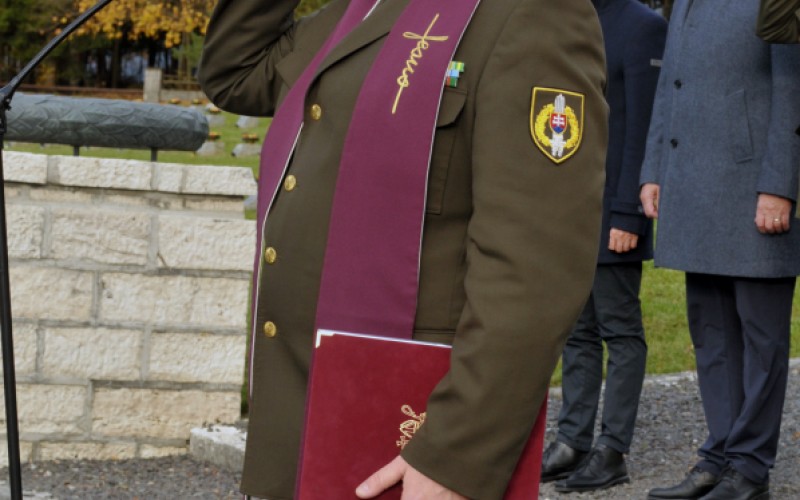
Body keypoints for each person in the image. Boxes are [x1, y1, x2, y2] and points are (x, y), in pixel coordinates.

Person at [198, 0, 608, 498]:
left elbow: (535, 269)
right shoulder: (365, 8)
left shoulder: (533, 13)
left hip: (412, 435)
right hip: (303, 414)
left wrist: (455, 458)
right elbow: (236, 71)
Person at [639, 1, 800, 499]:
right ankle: (720, 455)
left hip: (754, 188)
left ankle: (749, 468)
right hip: (695, 185)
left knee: (760, 340)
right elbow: (670, 85)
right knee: (710, 332)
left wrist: (781, 185)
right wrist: (654, 169)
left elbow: (793, 88)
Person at [540, 0, 666, 493]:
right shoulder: (565, 20)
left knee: (620, 330)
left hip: (614, 209)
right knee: (577, 332)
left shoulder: (642, 26)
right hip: (568, 211)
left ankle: (612, 450)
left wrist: (628, 213)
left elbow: (643, 128)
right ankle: (573, 441)